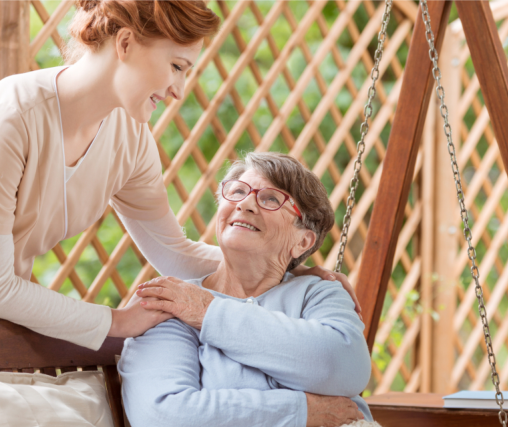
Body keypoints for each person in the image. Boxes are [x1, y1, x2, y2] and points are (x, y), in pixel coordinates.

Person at [0, 0, 358, 352]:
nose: (179, 89)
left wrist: (287, 272)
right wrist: (118, 321)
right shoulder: (13, 119)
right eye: (175, 66)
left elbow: (173, 252)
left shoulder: (130, 138)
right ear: (124, 44)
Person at [119, 153, 372, 427]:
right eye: (238, 191)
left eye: (270, 199)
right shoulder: (174, 303)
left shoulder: (318, 292)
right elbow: (166, 419)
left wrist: (210, 312)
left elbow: (344, 366)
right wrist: (304, 410)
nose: (245, 203)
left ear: (302, 242)